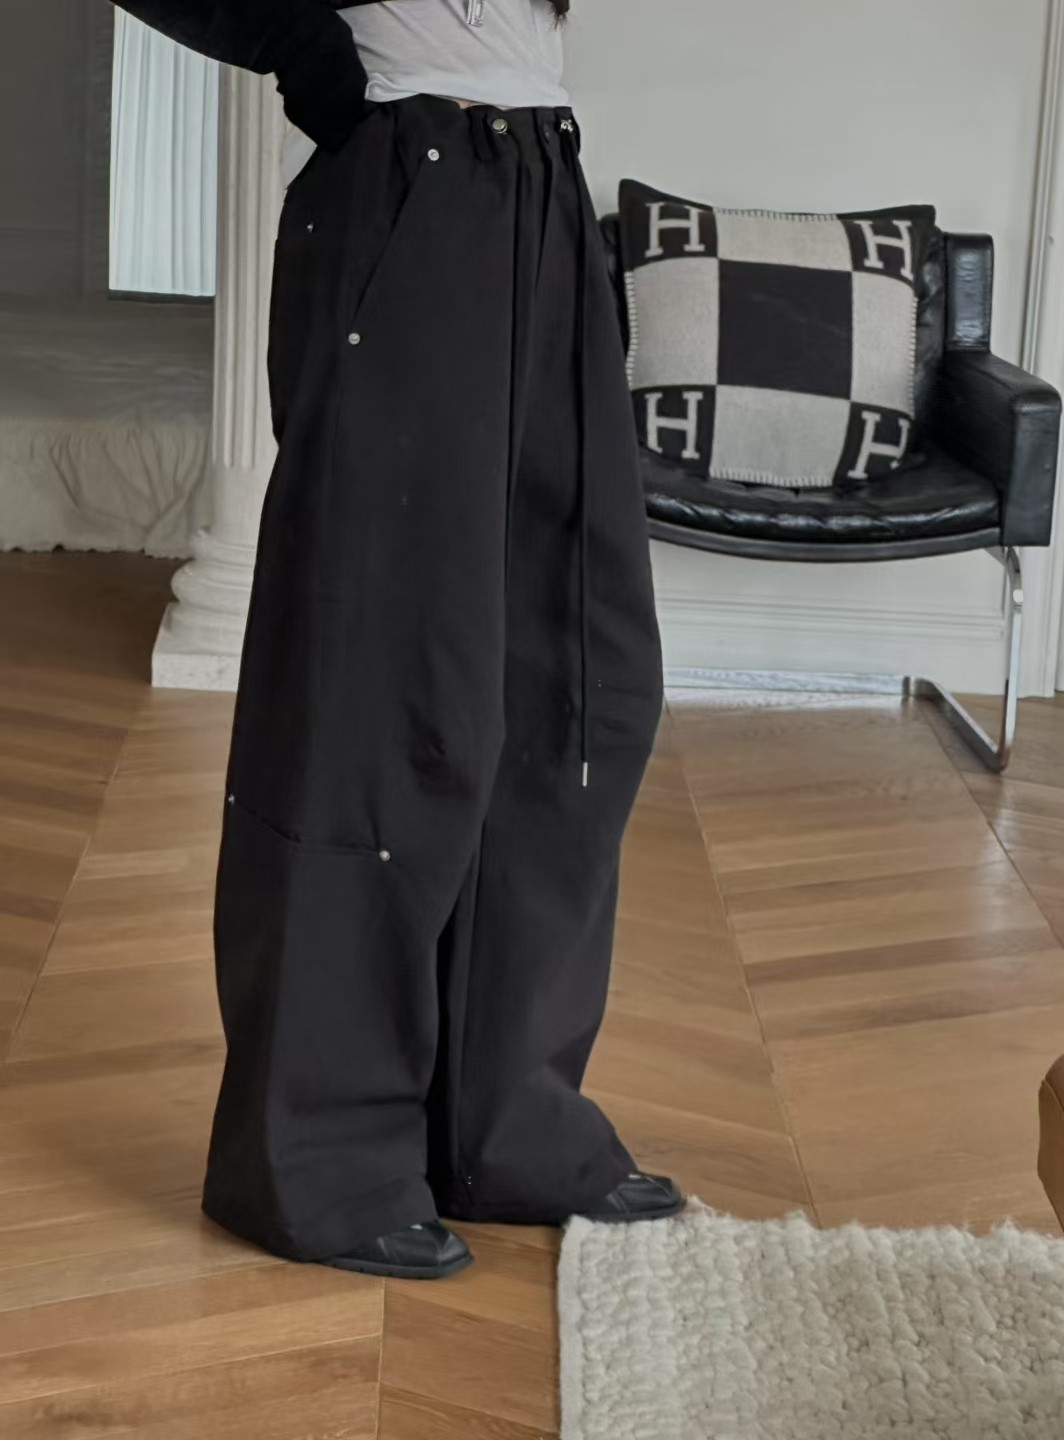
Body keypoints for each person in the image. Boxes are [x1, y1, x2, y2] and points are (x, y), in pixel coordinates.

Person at [113, 0, 683, 1280]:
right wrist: (313, 53)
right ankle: (317, 1160)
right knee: (381, 685)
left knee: (577, 680)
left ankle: (504, 1126)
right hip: (407, 182)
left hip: (543, 185)